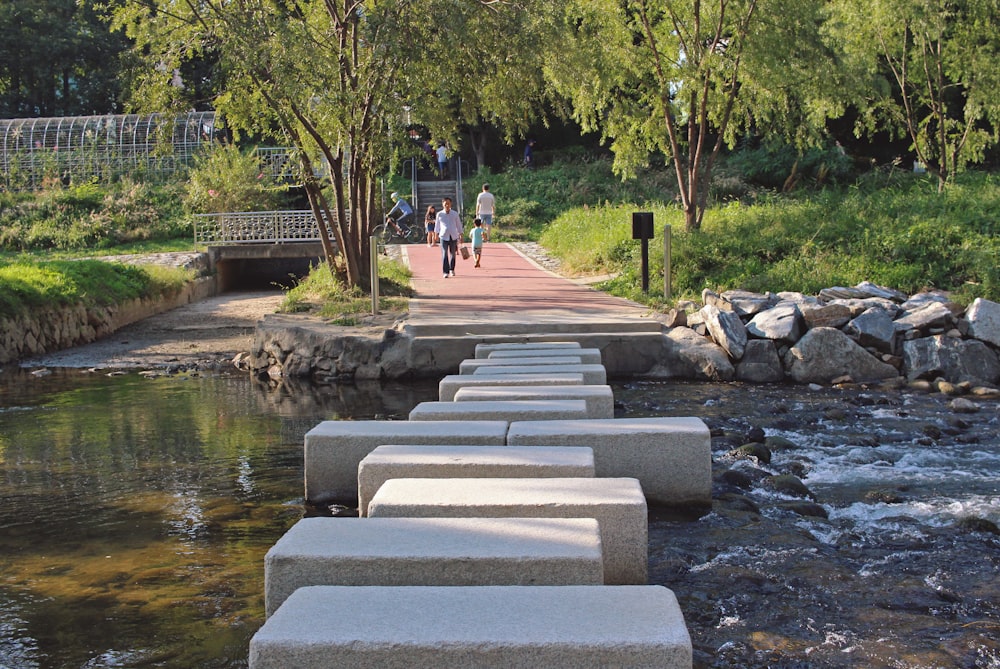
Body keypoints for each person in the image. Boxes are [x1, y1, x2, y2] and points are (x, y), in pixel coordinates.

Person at [434, 197, 463, 278]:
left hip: (453, 236)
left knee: (453, 254)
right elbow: (437, 226)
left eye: (448, 203)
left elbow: (459, 225)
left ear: (451, 204)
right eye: (445, 203)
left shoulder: (455, 214)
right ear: (442, 204)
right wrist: (435, 235)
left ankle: (452, 269)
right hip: (443, 236)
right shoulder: (439, 214)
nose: (447, 205)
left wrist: (461, 234)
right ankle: (445, 272)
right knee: (444, 254)